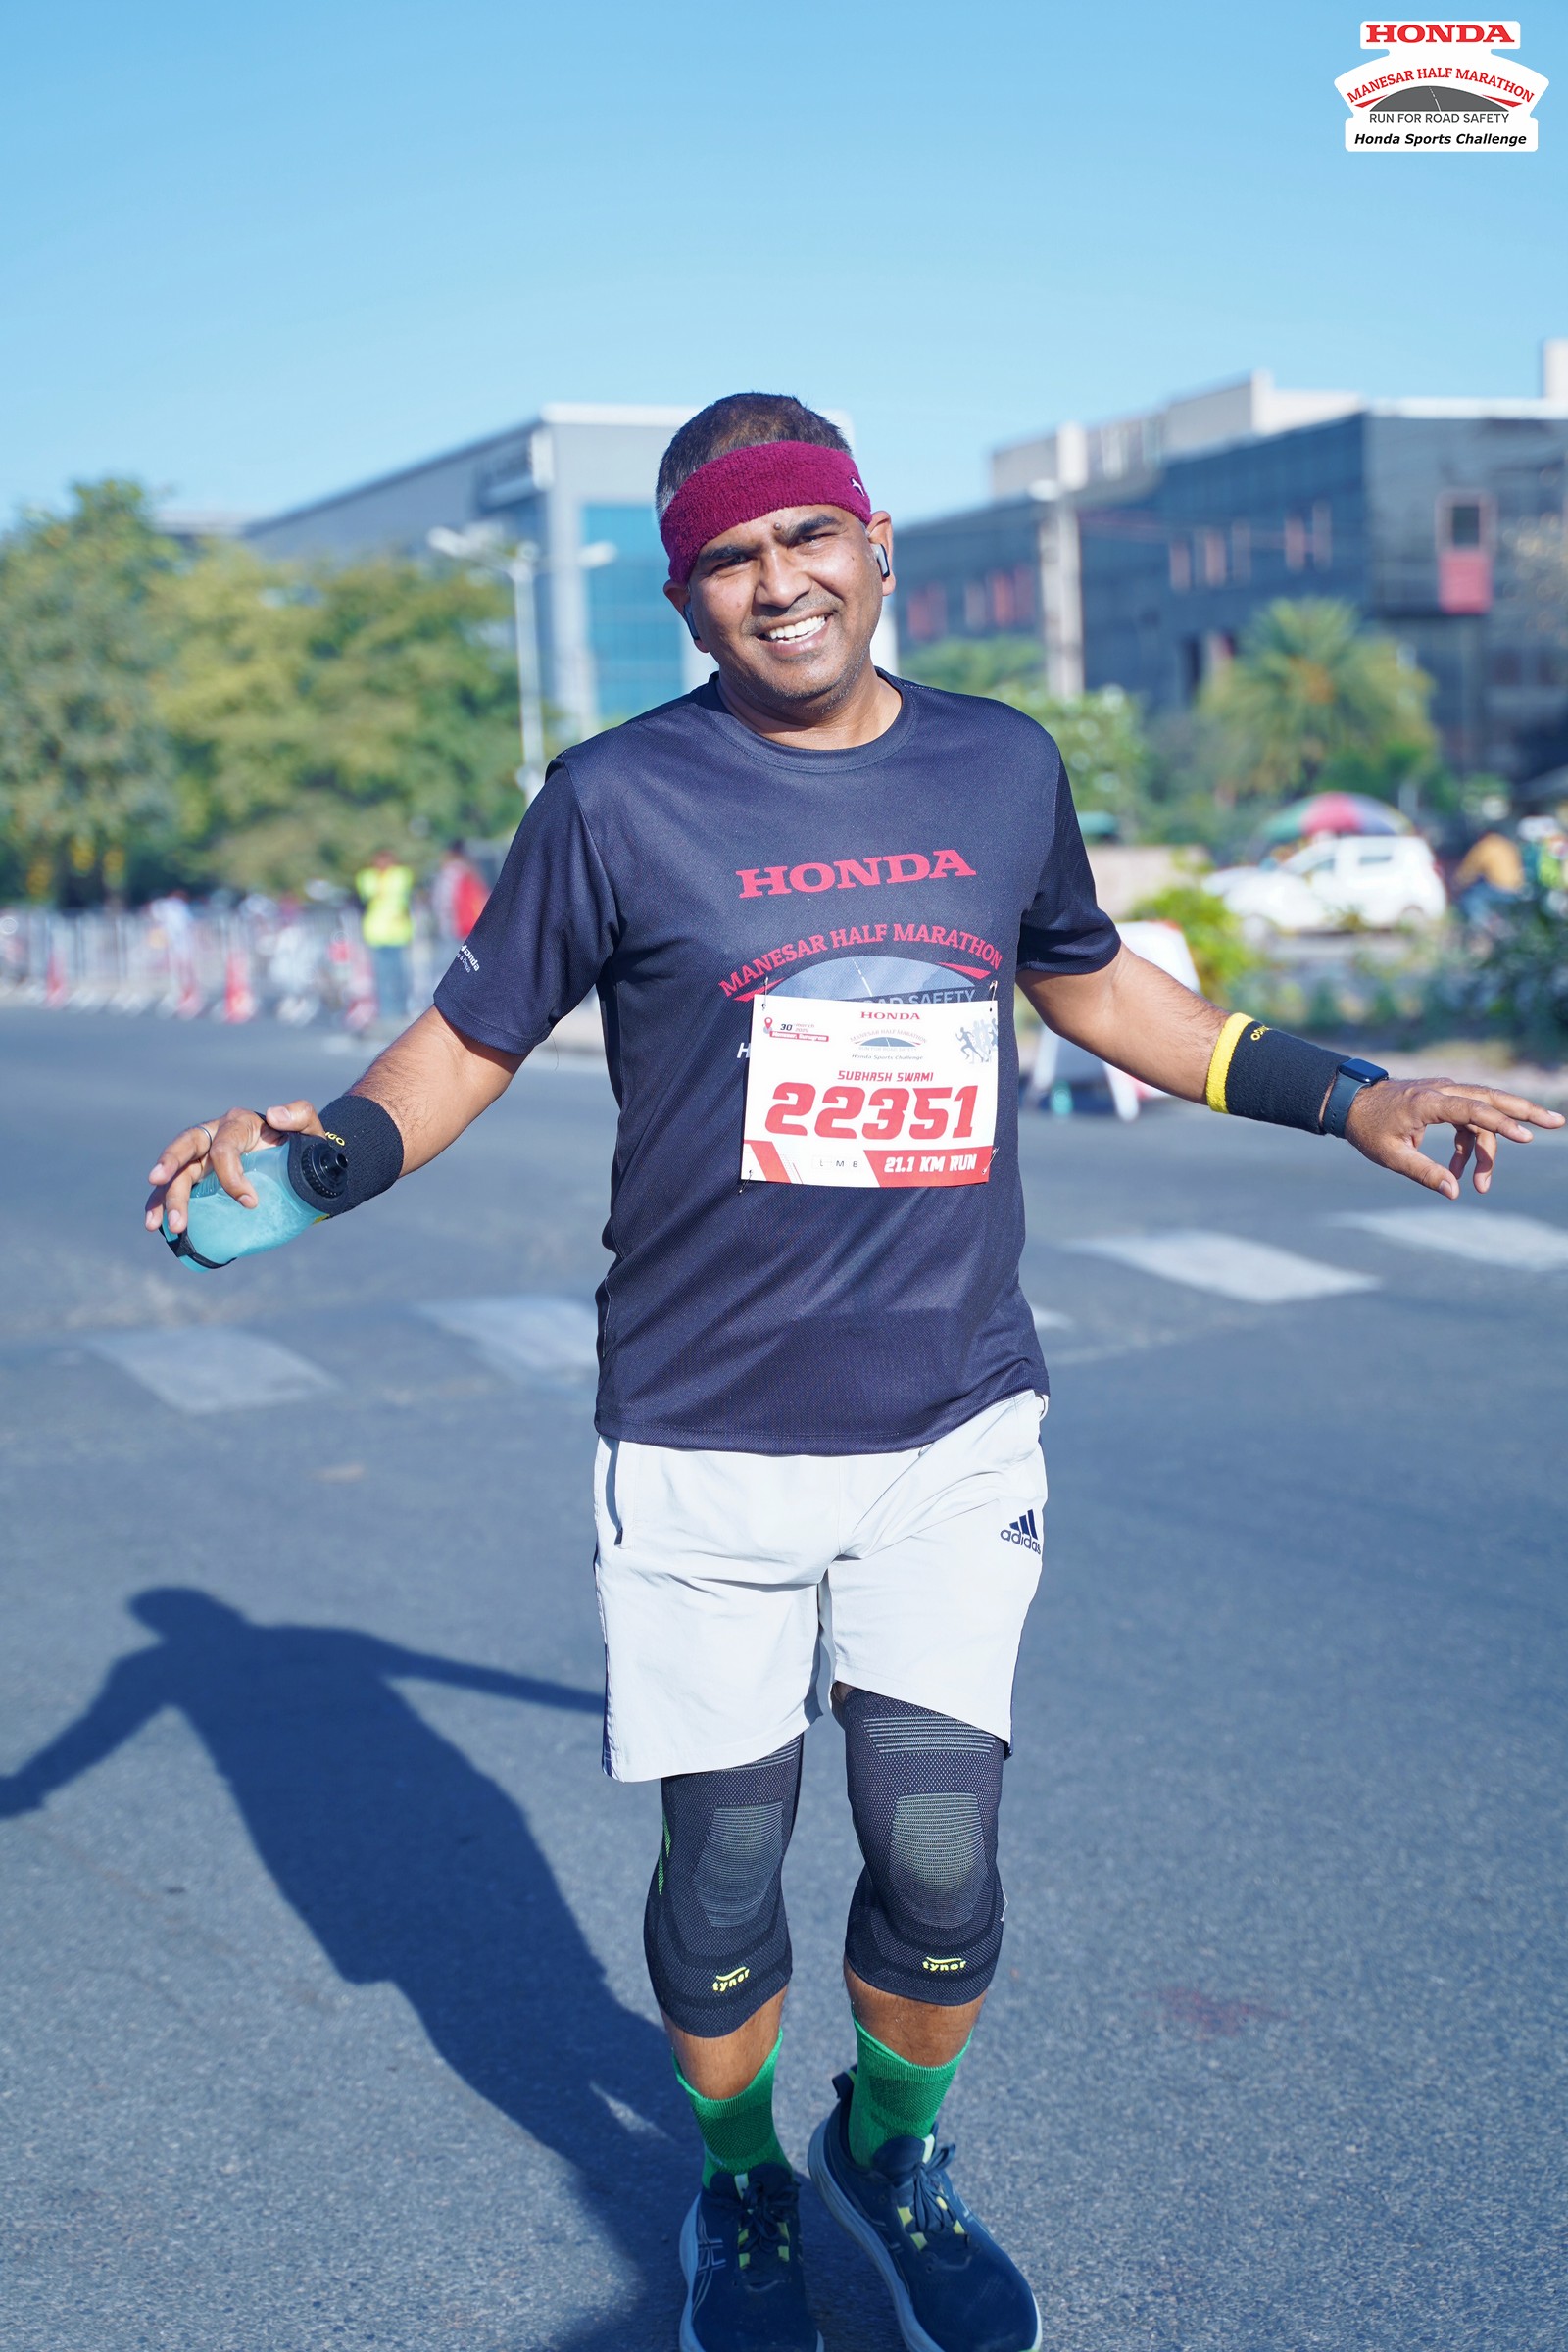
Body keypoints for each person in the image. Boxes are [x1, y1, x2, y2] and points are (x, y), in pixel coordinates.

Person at [145, 394, 1562, 2352]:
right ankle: (737, 2182)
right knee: (726, 1864)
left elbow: (1089, 973)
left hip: (950, 1417)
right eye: (728, 558)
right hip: (702, 1427)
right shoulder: (614, 798)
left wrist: (1350, 1091)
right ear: (684, 599)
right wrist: (319, 1165)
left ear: (876, 547)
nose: (777, 582)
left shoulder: (1000, 764)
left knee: (937, 1849)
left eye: (806, 536)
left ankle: (887, 2151)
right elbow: (466, 1042)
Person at [355, 848, 416, 1021]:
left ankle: (401, 1007)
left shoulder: (400, 875)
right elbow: (367, 895)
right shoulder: (367, 877)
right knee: (381, 974)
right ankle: (386, 1010)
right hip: (376, 933)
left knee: (399, 974)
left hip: (397, 932)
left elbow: (402, 892)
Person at [432, 840, 489, 951]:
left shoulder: (450, 872)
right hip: (473, 922)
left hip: (455, 925)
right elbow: (483, 895)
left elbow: (443, 901)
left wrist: (442, 922)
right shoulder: (471, 871)